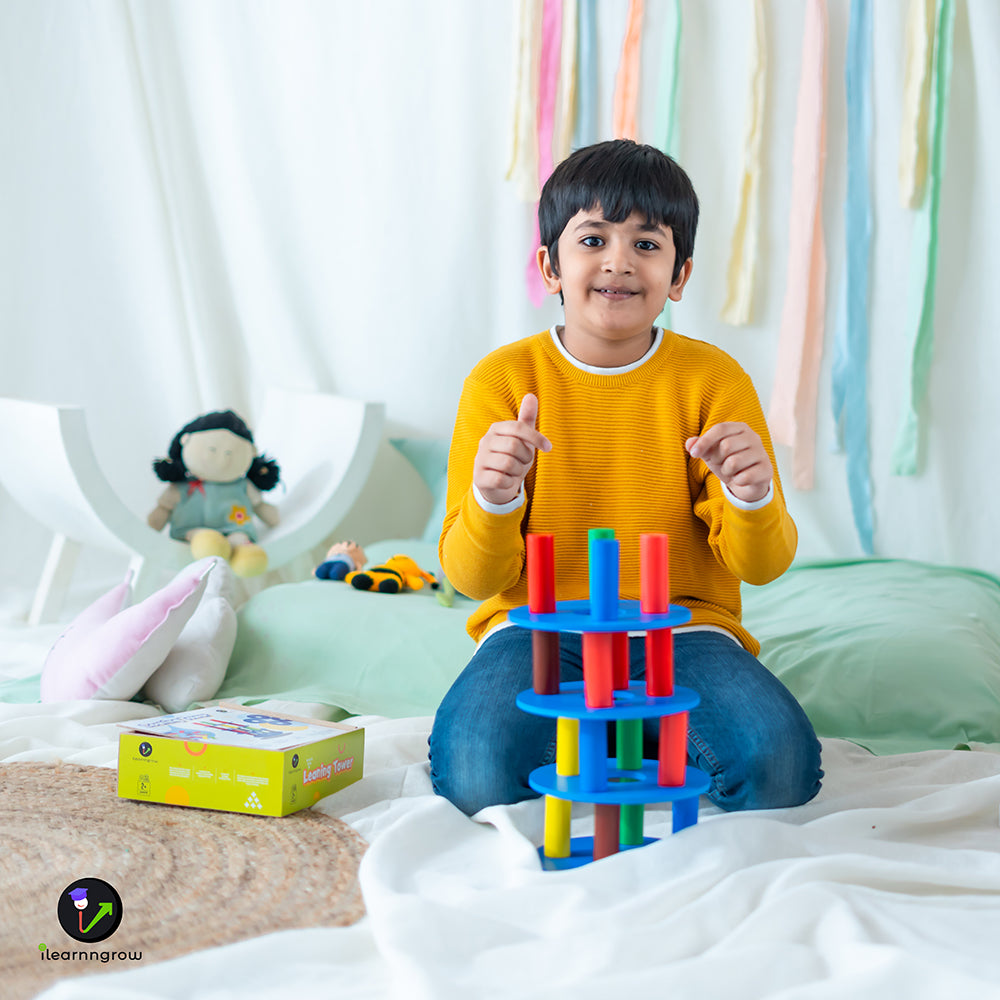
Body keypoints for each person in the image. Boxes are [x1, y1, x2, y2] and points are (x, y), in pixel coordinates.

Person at [429, 139, 822, 817]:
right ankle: (620, 731)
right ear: (550, 266)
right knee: (474, 773)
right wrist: (493, 500)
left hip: (683, 632)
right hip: (535, 631)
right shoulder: (501, 381)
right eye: (593, 239)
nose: (618, 260)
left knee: (781, 770)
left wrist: (751, 495)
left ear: (679, 275)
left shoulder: (713, 379)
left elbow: (762, 566)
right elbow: (470, 578)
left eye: (646, 244)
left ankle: (622, 730)